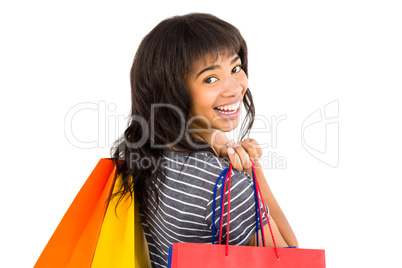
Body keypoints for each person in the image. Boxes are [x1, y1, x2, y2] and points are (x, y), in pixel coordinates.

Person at [108, 12, 298, 267]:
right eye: (211, 78)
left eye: (236, 68)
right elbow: (290, 257)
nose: (234, 88)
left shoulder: (143, 151)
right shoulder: (225, 189)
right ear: (172, 90)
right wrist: (253, 172)